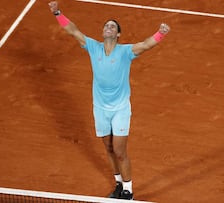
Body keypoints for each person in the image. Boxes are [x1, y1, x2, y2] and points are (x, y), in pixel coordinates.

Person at [48, 1, 170, 200]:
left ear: (118, 34)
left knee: (120, 150)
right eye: (106, 25)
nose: (108, 28)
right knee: (109, 148)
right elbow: (73, 30)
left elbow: (146, 45)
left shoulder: (125, 52)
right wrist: (57, 13)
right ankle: (119, 184)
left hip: (120, 109)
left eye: (112, 26)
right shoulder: (93, 47)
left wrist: (161, 33)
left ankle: (128, 190)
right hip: (100, 109)